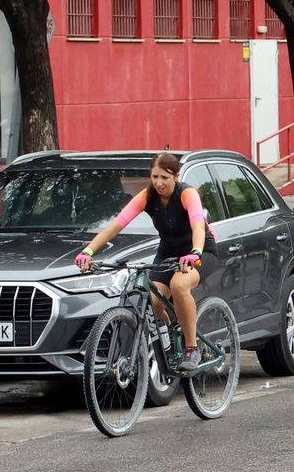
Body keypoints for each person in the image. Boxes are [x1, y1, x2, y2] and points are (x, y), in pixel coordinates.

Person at [75, 152, 217, 372]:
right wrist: (88, 251)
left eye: (165, 178)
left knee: (179, 285)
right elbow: (116, 225)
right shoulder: (146, 196)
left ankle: (192, 347)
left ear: (176, 176)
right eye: (155, 176)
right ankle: (170, 332)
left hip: (199, 251)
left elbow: (198, 225)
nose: (159, 183)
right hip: (168, 252)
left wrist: (195, 252)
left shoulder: (187, 194)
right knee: (153, 300)